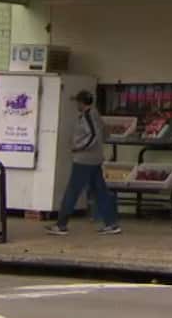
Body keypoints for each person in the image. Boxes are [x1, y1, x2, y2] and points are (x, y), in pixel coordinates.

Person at [46, 90, 121, 236]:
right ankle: (111, 223)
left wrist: (78, 147)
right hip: (95, 159)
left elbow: (93, 134)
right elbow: (105, 132)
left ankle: (61, 225)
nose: (77, 105)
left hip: (84, 160)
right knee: (100, 191)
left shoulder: (88, 115)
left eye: (77, 102)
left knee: (72, 191)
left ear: (81, 102)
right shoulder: (96, 115)